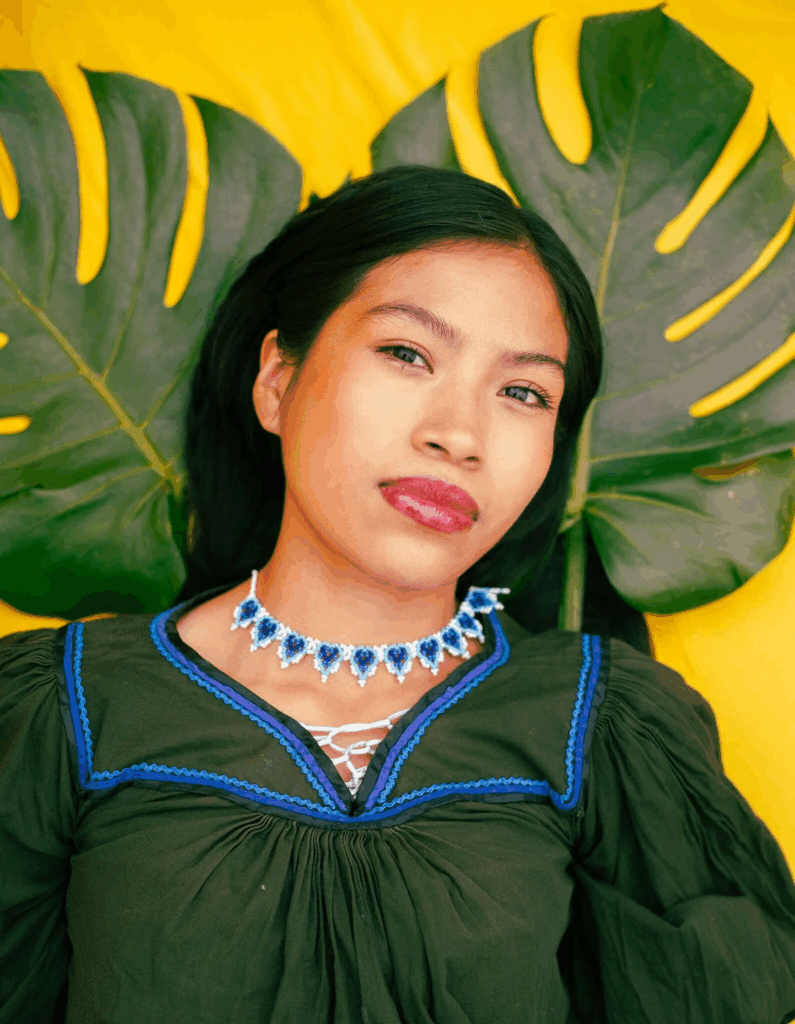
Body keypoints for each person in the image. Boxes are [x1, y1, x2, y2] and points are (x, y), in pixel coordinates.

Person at [1, 166, 794, 1024]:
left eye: (523, 392)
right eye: (407, 354)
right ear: (277, 381)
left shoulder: (600, 725)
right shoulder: (64, 709)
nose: (458, 434)